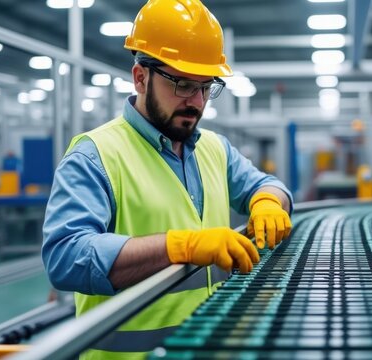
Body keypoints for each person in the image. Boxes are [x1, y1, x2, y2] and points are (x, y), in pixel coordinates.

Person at [41, 1, 292, 359]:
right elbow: (66, 258)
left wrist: (268, 201)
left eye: (207, 87)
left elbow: (266, 184)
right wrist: (180, 247)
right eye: (183, 84)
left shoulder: (214, 148)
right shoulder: (95, 155)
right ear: (141, 77)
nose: (197, 102)